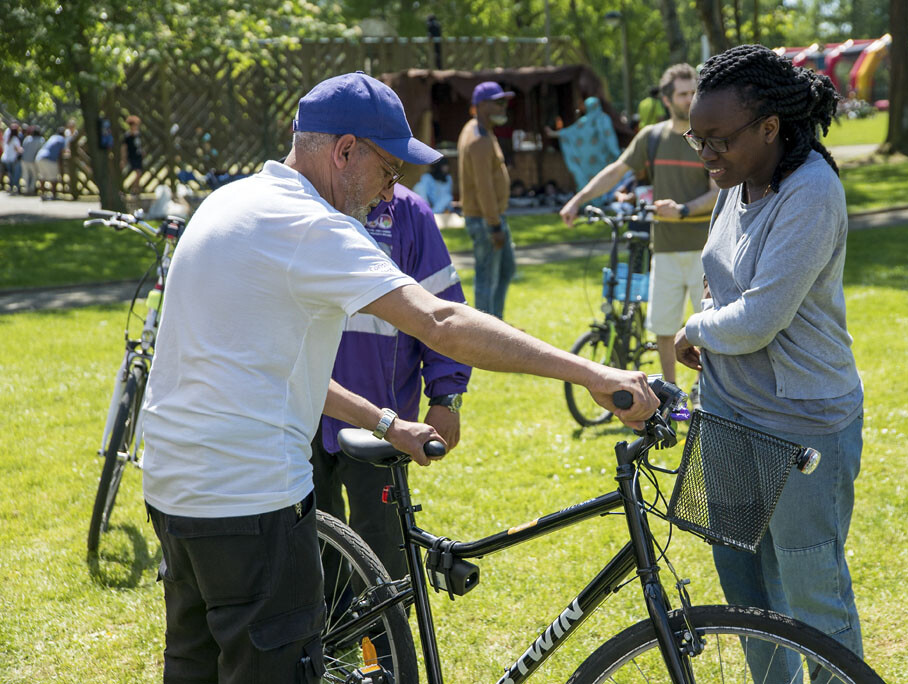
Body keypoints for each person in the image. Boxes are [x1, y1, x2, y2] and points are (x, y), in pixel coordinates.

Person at [140, 71, 658, 683]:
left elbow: (272, 370)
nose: (392, 193)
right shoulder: (312, 226)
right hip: (249, 503)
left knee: (194, 668)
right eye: (389, 171)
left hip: (175, 491)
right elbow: (441, 321)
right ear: (345, 151)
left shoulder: (230, 202)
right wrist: (592, 373)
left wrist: (387, 423)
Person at [673, 45, 864, 675]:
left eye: (718, 140)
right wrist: (709, 316)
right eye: (697, 139)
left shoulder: (811, 190)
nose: (706, 154)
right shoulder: (735, 182)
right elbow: (719, 276)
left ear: (770, 127)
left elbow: (758, 318)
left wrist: (694, 329)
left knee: (813, 594)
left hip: (801, 421)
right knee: (747, 594)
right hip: (726, 414)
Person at [311, 183, 470, 581]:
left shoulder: (408, 212)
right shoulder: (299, 204)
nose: (386, 184)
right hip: (300, 410)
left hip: (381, 419)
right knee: (307, 534)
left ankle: (385, 622)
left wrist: (447, 396)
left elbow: (442, 306)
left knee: (381, 541)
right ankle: (324, 617)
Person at [560, 64, 719, 396]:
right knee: (663, 327)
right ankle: (671, 393)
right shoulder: (652, 137)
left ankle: (703, 389)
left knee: (706, 326)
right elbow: (616, 171)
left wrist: (683, 210)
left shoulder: (706, 136)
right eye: (683, 94)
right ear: (666, 100)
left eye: (694, 92)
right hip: (663, 249)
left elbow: (718, 191)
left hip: (704, 249)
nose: (690, 99)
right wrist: (577, 200)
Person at [457, 81, 517, 319]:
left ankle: (496, 323)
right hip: (486, 220)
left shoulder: (479, 129)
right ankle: (485, 333)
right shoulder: (479, 139)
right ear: (481, 106)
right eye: (498, 102)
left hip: (491, 217)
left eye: (505, 102)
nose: (504, 107)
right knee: (486, 280)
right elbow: (484, 188)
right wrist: (494, 226)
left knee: (505, 270)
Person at [544, 96, 620, 193]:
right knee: (604, 178)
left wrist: (553, 133)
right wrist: (616, 153)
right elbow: (610, 139)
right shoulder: (604, 119)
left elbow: (569, 132)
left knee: (591, 181)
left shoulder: (584, 122)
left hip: (588, 160)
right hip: (603, 158)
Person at [34, 131, 66, 200]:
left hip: (39, 157)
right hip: (49, 158)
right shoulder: (62, 139)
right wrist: (61, 165)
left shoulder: (52, 137)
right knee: (54, 178)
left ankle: (42, 194)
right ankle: (54, 195)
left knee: (42, 177)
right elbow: (61, 153)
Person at [20, 125, 45, 195]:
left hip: (24, 159)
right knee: (34, 176)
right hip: (33, 160)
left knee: (26, 175)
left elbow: (23, 148)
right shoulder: (41, 140)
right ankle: (31, 189)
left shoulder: (27, 138)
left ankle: (26, 189)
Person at [123, 114, 144, 196]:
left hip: (138, 156)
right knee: (138, 172)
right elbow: (124, 147)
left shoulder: (138, 135)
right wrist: (124, 158)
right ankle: (133, 188)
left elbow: (139, 145)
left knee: (139, 173)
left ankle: (136, 189)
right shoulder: (128, 136)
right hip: (132, 156)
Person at [1, 122, 23, 194]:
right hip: (13, 159)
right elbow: (17, 149)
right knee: (15, 174)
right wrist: (22, 150)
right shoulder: (15, 139)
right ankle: (16, 187)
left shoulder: (8, 139)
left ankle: (10, 186)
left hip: (6, 159)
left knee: (10, 174)